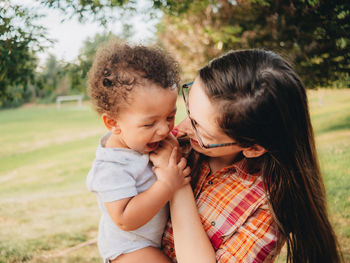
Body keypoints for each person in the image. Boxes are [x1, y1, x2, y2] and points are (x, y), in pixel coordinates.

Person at [150, 49, 343, 263]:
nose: (181, 129)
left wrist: (177, 185)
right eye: (187, 110)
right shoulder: (179, 142)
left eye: (199, 128)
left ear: (253, 148)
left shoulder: (269, 208)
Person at [86, 41, 190, 263]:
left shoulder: (153, 141)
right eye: (149, 124)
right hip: (129, 249)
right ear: (113, 123)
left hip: (152, 241)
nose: (164, 129)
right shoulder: (111, 167)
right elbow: (124, 219)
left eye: (170, 117)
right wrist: (167, 185)